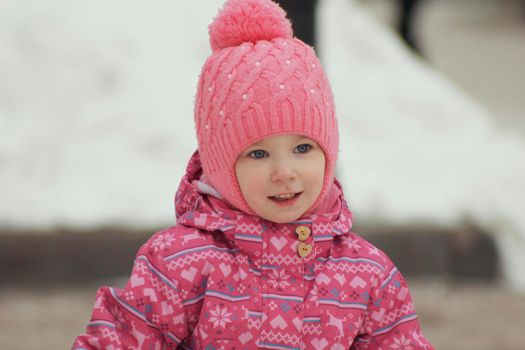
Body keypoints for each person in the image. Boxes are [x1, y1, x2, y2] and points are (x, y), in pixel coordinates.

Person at [72, 0, 433, 348]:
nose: (284, 172)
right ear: (220, 164)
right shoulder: (178, 264)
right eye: (258, 154)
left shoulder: (366, 274)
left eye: (303, 148)